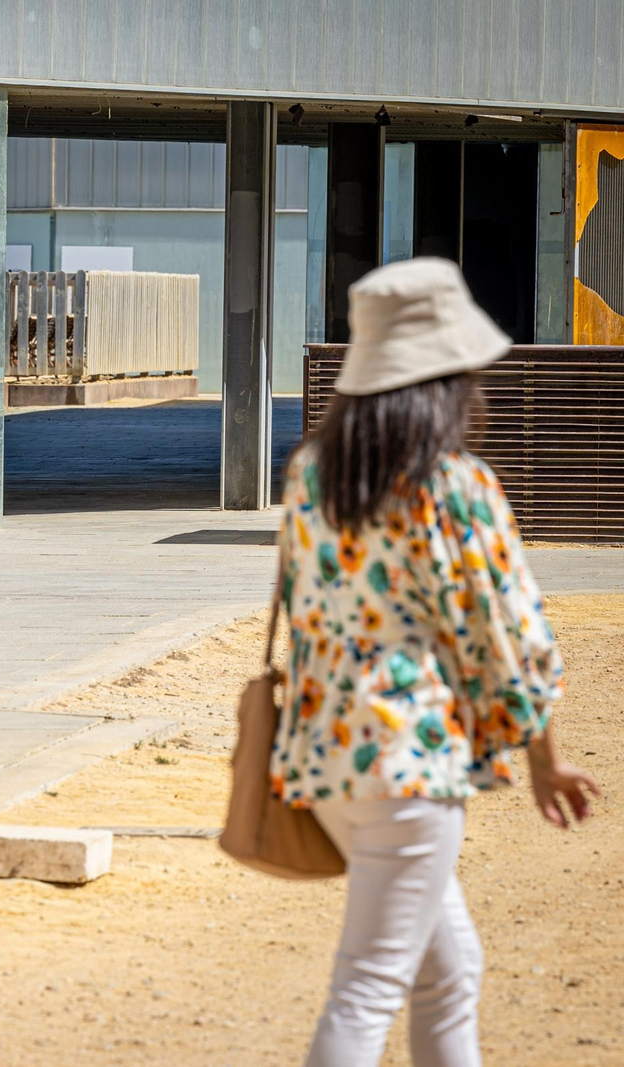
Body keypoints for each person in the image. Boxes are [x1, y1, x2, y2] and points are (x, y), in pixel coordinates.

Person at [277, 258, 600, 1067]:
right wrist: (544, 761)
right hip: (407, 759)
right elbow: (509, 638)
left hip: (325, 759)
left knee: (448, 971)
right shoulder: (456, 486)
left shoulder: (312, 476)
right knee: (369, 984)